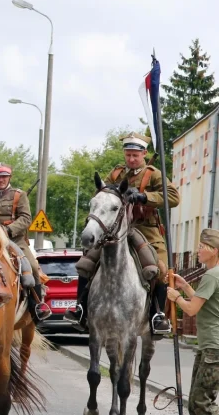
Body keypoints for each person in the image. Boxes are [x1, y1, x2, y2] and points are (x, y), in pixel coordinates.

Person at [66, 131, 178, 335]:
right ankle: (80, 308)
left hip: (144, 228)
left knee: (159, 267)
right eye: (128, 154)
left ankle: (157, 315)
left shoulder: (153, 174)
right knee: (87, 262)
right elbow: (101, 195)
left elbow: (173, 197)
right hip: (114, 229)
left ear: (144, 153)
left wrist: (144, 197)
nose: (131, 159)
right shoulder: (116, 174)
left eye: (135, 155)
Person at [167, 228, 219, 415]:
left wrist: (176, 297)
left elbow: (190, 310)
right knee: (194, 401)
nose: (198, 250)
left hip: (214, 349)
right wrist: (186, 287)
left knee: (202, 400)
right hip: (207, 347)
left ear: (214, 250)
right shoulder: (213, 275)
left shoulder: (212, 276)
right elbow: (202, 302)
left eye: (202, 246)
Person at [0, 163, 50, 323]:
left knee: (31, 266)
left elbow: (26, 218)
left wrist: (7, 231)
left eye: (4, 176)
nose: (1, 180)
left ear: (9, 177)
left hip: (14, 239)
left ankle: (37, 306)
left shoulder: (19, 195)